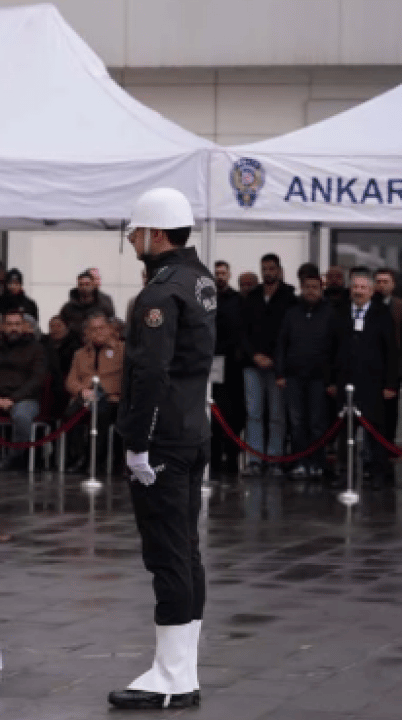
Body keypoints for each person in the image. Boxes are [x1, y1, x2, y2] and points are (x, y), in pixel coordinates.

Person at [109, 188, 215, 711]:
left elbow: (151, 372)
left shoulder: (160, 292)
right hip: (191, 430)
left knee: (167, 555)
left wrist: (138, 443)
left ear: (155, 233)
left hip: (164, 440)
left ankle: (170, 677)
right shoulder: (199, 280)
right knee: (186, 552)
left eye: (136, 232)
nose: (132, 240)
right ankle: (181, 671)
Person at [334, 268, 400, 488]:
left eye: (363, 287)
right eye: (355, 287)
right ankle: (345, 473)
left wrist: (391, 383)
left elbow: (391, 352)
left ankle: (378, 473)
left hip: (374, 384)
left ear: (371, 291)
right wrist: (331, 381)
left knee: (375, 430)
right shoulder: (340, 312)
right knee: (345, 431)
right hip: (345, 383)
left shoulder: (382, 314)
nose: (359, 291)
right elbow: (330, 348)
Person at [274, 267, 338, 480]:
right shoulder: (291, 313)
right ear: (301, 288)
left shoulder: (330, 314)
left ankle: (317, 464)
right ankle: (300, 463)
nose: (311, 291)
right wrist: (280, 374)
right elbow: (282, 344)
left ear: (321, 289)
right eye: (307, 287)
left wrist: (333, 380)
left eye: (315, 287)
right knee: (297, 423)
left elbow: (337, 348)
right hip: (294, 377)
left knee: (317, 423)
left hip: (320, 378)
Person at [240, 253, 296, 477]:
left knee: (276, 415)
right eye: (264, 269)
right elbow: (242, 331)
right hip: (252, 363)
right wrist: (254, 355)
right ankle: (255, 459)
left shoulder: (289, 297)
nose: (268, 273)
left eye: (272, 269)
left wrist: (275, 358)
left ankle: (274, 459)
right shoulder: (252, 297)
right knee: (253, 413)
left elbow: (289, 333)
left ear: (279, 270)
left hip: (278, 365)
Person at [0, 311, 46, 469]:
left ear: (23, 326)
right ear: (3, 327)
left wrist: (13, 399)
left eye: (17, 324)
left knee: (22, 417)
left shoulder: (37, 348)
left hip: (25, 398)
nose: (13, 328)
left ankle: (14, 457)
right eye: (9, 324)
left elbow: (37, 380)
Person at [65, 311, 124, 474]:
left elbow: (127, 379)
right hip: (86, 398)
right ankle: (77, 457)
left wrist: (109, 392)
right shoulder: (80, 354)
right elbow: (71, 380)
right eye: (93, 329)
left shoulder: (122, 350)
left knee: (101, 414)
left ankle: (96, 460)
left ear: (110, 329)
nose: (98, 332)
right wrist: (81, 390)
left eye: (101, 328)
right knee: (70, 414)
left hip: (112, 400)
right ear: (87, 332)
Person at [210, 261, 245, 477]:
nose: (220, 277)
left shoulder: (237, 300)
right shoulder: (205, 298)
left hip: (232, 365)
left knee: (233, 413)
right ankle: (213, 457)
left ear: (229, 275)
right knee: (212, 411)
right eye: (217, 273)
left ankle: (232, 457)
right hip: (211, 362)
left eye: (223, 273)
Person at [374, 268, 402, 447]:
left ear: (393, 284)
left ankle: (389, 446)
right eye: (378, 281)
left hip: (394, 364)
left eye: (385, 282)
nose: (381, 285)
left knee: (391, 410)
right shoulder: (369, 304)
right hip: (373, 364)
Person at [41, 314, 81, 422]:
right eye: (52, 326)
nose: (55, 329)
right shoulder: (44, 344)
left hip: (69, 380)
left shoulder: (75, 345)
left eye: (58, 326)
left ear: (66, 327)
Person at [59, 270, 116, 339]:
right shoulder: (68, 308)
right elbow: (61, 326)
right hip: (75, 343)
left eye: (87, 284)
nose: (84, 287)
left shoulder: (104, 304)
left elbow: (112, 323)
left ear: (93, 285)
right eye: (81, 284)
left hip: (99, 342)